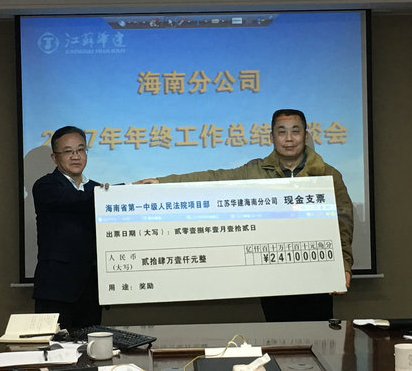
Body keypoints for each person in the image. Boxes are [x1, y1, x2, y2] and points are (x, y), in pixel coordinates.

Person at [135, 109, 354, 321]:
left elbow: (343, 223)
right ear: (272, 137)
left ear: (305, 136)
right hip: (273, 275)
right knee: (279, 336)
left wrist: (343, 266)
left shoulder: (328, 175)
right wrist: (163, 183)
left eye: (295, 131)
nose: (289, 138)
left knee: (320, 336)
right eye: (282, 132)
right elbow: (214, 178)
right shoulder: (255, 171)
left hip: (316, 274)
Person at [32, 126, 108, 329]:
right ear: (54, 158)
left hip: (91, 291)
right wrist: (119, 192)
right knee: (53, 346)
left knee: (91, 346)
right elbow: (75, 200)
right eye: (68, 151)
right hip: (56, 291)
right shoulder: (45, 186)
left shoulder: (97, 188)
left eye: (81, 150)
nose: (76, 156)